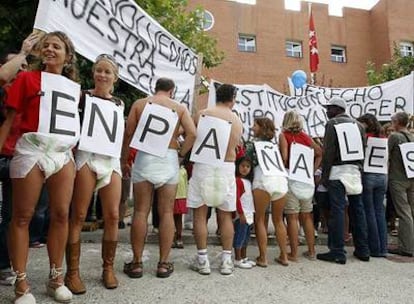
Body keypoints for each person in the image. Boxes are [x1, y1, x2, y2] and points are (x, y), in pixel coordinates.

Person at [0, 31, 79, 303]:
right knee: (22, 216)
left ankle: (56, 278)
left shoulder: (73, 88)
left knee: (60, 214)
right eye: (46, 46)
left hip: (62, 153)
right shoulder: (26, 78)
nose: (49, 50)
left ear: (68, 56)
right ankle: (21, 284)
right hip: (31, 149)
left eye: (56, 46)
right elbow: (9, 120)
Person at [121, 77, 196, 278]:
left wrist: (124, 160)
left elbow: (128, 134)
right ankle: (163, 263)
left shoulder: (140, 104)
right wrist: (181, 155)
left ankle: (136, 263)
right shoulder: (179, 108)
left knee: (140, 211)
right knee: (166, 213)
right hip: (168, 157)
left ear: (155, 89)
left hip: (145, 156)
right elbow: (192, 133)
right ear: (171, 91)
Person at [65, 54, 124, 294]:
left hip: (110, 159)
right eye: (98, 70)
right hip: (87, 157)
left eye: (107, 72)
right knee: (78, 214)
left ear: (115, 78)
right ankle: (72, 272)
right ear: (93, 73)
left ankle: (108, 268)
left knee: (112, 215)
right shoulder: (82, 97)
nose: (102, 75)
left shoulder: (120, 103)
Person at [188, 83, 243, 275]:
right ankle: (227, 260)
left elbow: (192, 136)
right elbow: (235, 145)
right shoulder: (236, 120)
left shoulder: (202, 113)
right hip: (226, 166)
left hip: (203, 163)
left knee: (200, 214)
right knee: (225, 214)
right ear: (232, 98)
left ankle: (202, 259)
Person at [0, 33, 41, 287]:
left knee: (12, 217)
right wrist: (24, 51)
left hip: (18, 160)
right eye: (19, 65)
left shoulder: (29, 92)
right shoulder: (3, 88)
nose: (23, 70)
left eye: (26, 66)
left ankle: (6, 266)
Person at [317, 97, 369, 265]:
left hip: (338, 172)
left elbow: (329, 152)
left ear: (336, 109)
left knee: (337, 212)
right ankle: (362, 249)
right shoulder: (359, 126)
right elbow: (363, 148)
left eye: (329, 108)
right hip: (354, 171)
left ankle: (338, 251)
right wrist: (359, 168)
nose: (326, 111)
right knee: (357, 211)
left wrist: (324, 177)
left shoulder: (332, 124)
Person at [246, 117, 289, 267]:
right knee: (278, 220)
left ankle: (263, 257)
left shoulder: (252, 145)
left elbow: (246, 163)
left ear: (261, 128)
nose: (252, 128)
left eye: (255, 125)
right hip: (281, 180)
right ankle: (284, 255)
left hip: (262, 179)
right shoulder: (274, 146)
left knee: (260, 220)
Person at [280, 110, 322, 261]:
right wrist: (312, 170)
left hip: (292, 177)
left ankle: (293, 253)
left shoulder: (284, 136)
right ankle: (311, 251)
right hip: (306, 179)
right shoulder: (306, 137)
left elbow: (284, 158)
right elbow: (319, 153)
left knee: (292, 216)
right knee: (307, 216)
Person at [357, 113, 388, 257]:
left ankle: (374, 248)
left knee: (369, 211)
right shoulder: (384, 138)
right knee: (380, 212)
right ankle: (383, 248)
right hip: (382, 176)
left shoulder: (365, 138)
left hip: (368, 175)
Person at [387, 111, 414, 257]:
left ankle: (407, 247)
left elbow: (386, 155)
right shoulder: (412, 136)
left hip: (398, 178)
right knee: (410, 212)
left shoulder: (395, 136)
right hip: (411, 178)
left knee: (403, 213)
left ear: (397, 122)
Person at [233, 156, 256, 269]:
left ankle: (243, 256)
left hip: (249, 212)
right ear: (237, 167)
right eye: (242, 166)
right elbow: (237, 198)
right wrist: (240, 213)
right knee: (240, 236)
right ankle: (237, 258)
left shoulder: (249, 182)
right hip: (242, 214)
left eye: (248, 166)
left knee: (246, 236)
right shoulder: (238, 181)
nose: (245, 168)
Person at [172, 165, 188, 249]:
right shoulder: (169, 167)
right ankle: (170, 237)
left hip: (181, 197)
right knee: (169, 217)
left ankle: (179, 236)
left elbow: (186, 184)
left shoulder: (183, 170)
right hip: (170, 197)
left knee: (178, 218)